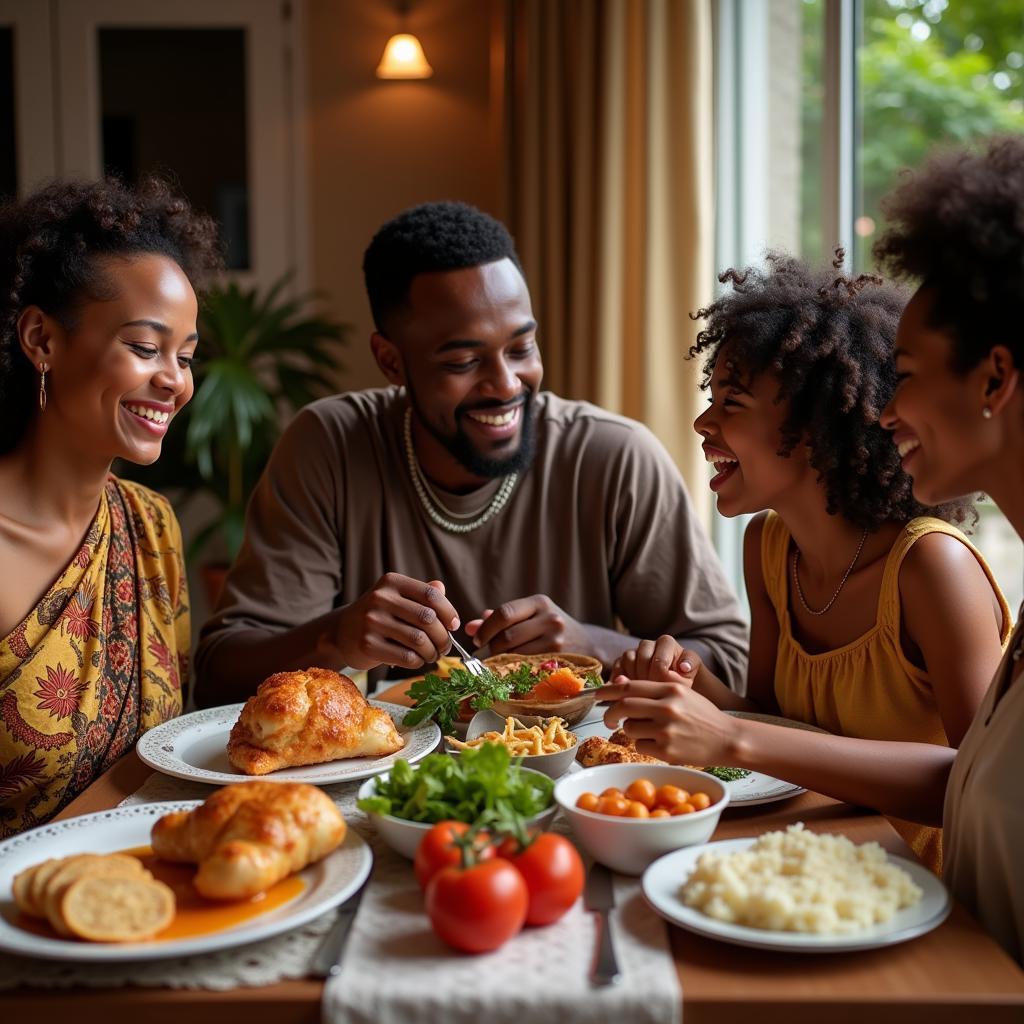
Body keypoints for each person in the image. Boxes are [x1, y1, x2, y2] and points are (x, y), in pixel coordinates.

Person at [193, 201, 747, 707]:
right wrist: (334, 637)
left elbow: (733, 667)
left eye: (521, 347)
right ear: (391, 361)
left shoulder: (613, 457)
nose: (506, 385)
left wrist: (590, 642)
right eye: (463, 362)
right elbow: (219, 673)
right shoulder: (330, 445)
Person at [599, 248, 1009, 870]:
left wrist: (732, 735)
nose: (703, 422)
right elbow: (779, 726)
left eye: (732, 404)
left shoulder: (931, 568)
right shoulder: (768, 547)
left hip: (936, 890)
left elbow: (972, 780)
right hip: (819, 861)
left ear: (817, 428)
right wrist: (695, 688)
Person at [0, 177, 222, 836]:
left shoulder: (151, 526)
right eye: (146, 348)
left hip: (144, 891)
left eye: (184, 357)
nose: (174, 382)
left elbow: (162, 756)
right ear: (41, 339)